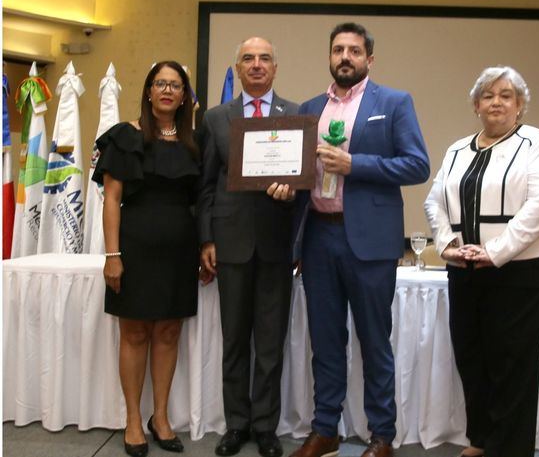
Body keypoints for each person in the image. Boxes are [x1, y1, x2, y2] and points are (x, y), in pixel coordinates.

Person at [289, 23, 430, 457]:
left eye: (354, 50)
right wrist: (281, 183)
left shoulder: (393, 103)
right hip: (318, 237)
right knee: (325, 342)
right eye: (337, 50)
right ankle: (325, 430)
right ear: (329, 58)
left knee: (374, 341)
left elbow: (416, 165)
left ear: (369, 58)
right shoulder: (310, 108)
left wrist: (355, 163)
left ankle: (381, 436)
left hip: (369, 242)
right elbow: (294, 172)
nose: (344, 56)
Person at [424, 66, 539, 457]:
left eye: (506, 95)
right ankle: (482, 439)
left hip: (520, 274)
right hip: (465, 270)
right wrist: (447, 244)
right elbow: (434, 201)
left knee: (511, 366)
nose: (497, 102)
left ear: (520, 106)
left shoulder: (537, 143)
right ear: (475, 105)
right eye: (488, 95)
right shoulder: (456, 149)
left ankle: (509, 449)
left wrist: (498, 250)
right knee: (472, 359)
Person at [196, 37, 298, 457]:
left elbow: (305, 182)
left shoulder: (295, 115)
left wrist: (293, 191)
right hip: (231, 244)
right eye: (248, 59)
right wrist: (206, 237)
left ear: (276, 67)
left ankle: (266, 426)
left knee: (271, 344)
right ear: (237, 68)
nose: (257, 65)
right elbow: (204, 185)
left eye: (265, 59)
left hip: (276, 245)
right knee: (235, 341)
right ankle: (236, 424)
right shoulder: (217, 117)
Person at [93, 61, 201, 457]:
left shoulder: (194, 141)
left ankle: (160, 417)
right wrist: (112, 255)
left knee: (169, 332)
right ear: (149, 91)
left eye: (175, 85)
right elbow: (112, 200)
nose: (168, 90)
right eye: (160, 83)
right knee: (135, 333)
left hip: (179, 251)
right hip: (133, 250)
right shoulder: (126, 136)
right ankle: (134, 421)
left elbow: (199, 200)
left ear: (185, 95)